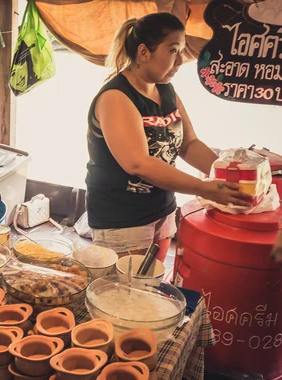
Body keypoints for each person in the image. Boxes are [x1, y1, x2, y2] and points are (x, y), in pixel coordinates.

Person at [85, 12, 252, 262]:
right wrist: (205, 188)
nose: (181, 60)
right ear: (144, 52)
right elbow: (138, 163)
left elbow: (189, 144)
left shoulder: (165, 90)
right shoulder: (116, 97)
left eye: (183, 50)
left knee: (151, 286)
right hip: (122, 219)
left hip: (161, 210)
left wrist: (228, 175)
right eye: (173, 50)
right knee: (126, 295)